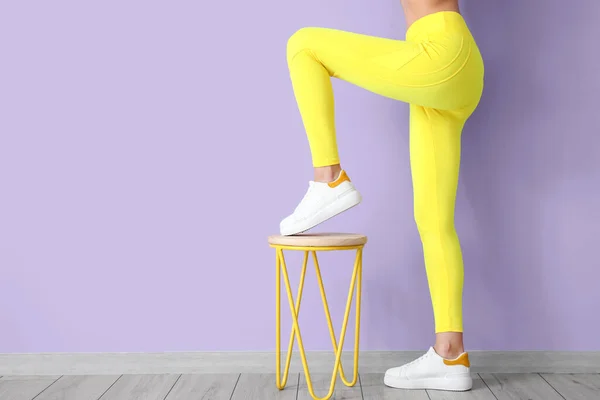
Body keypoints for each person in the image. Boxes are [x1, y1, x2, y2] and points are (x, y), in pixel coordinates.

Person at [279, 0, 484, 392]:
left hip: (440, 52)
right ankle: (450, 355)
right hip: (446, 59)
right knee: (433, 222)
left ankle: (330, 179)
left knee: (304, 46)